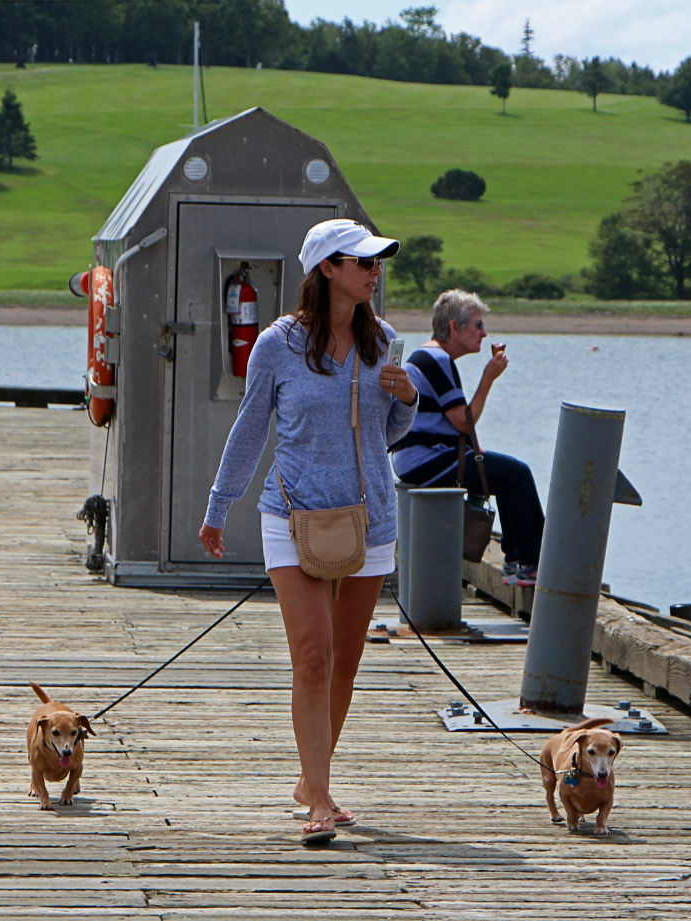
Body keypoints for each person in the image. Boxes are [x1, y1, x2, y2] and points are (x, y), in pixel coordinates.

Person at [198, 218, 418, 845]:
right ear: (328, 269)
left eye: (378, 264)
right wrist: (219, 508)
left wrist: (406, 401)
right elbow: (248, 429)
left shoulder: (387, 343)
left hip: (370, 519)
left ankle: (309, 778)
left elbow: (387, 436)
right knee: (313, 658)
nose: (375, 273)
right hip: (292, 516)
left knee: (346, 662)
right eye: (364, 263)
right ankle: (320, 800)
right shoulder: (277, 345)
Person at [389, 289, 544, 586]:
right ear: (454, 327)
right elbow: (463, 422)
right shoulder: (436, 359)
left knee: (506, 475)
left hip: (419, 457)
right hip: (427, 459)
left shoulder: (431, 357)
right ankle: (531, 564)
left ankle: (515, 562)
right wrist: (488, 378)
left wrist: (474, 450)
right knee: (518, 474)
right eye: (477, 325)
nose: (485, 333)